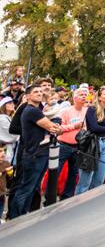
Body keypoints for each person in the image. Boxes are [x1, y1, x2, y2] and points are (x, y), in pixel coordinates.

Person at [8, 84, 60, 219]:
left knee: (32, 187)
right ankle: (15, 217)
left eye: (41, 91)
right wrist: (56, 126)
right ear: (28, 96)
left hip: (40, 153)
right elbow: (54, 128)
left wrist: (56, 126)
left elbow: (54, 127)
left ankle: (23, 215)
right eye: (36, 91)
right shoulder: (32, 110)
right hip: (34, 154)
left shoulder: (38, 110)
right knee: (26, 188)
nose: (39, 93)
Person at [76, 86, 105, 194]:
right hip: (93, 143)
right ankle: (79, 200)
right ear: (99, 97)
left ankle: (93, 199)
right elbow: (94, 127)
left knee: (100, 178)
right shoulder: (92, 109)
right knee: (86, 179)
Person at [55, 87, 89, 200]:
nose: (84, 96)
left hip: (78, 146)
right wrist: (74, 126)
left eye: (85, 95)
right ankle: (50, 197)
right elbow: (58, 128)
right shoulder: (65, 111)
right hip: (64, 145)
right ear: (74, 98)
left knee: (74, 173)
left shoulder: (88, 111)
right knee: (56, 171)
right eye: (81, 95)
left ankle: (67, 196)